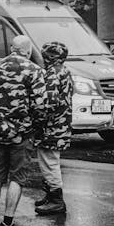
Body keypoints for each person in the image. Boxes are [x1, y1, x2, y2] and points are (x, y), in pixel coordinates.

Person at [0, 35, 47, 226]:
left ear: (12, 48)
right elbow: (40, 105)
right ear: (28, 51)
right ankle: (8, 224)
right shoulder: (34, 70)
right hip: (22, 133)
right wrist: (36, 130)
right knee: (17, 178)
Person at [33, 41, 73, 216]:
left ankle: (56, 200)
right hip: (62, 124)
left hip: (50, 127)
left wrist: (37, 120)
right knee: (51, 161)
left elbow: (48, 103)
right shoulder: (66, 71)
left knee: (49, 162)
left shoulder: (51, 74)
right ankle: (51, 195)